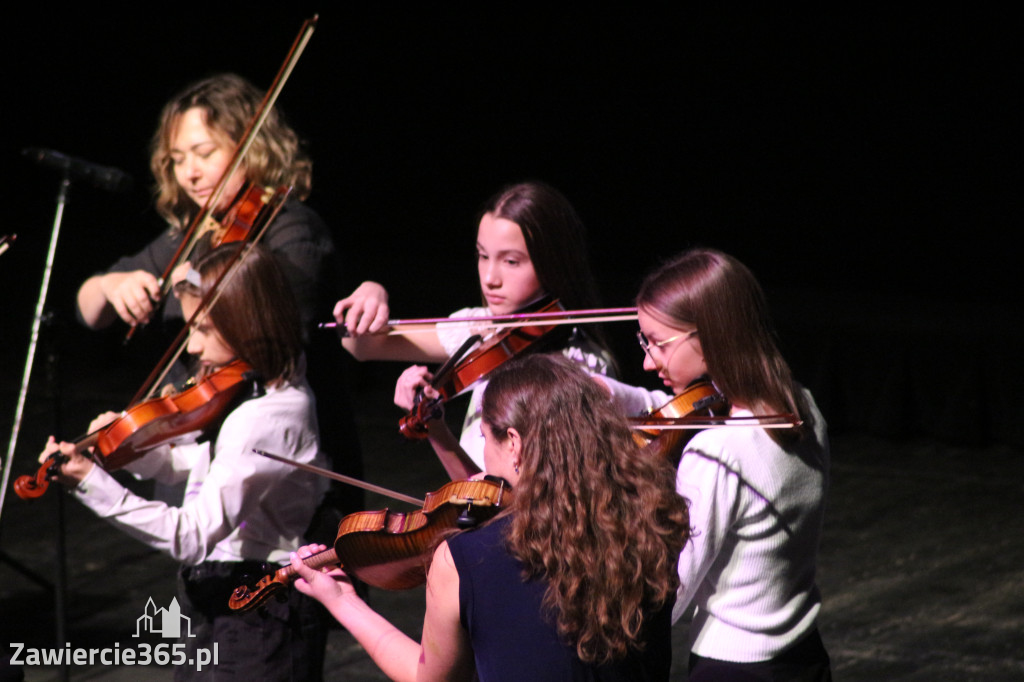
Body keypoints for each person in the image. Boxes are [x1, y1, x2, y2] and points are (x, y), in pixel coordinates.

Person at [73, 72, 362, 537]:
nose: (190, 172)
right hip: (198, 453)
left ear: (251, 146)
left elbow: (266, 330)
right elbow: (88, 308)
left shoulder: (293, 230)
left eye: (205, 153)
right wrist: (115, 284)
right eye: (178, 159)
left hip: (282, 473)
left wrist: (185, 285)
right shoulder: (196, 234)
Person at [290, 353, 689, 681]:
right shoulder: (654, 526)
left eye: (484, 438)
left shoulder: (466, 558)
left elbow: (428, 679)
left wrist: (343, 602)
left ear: (513, 443)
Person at [40, 244, 329, 680]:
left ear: (248, 323)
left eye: (206, 329)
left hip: (259, 612)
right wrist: (133, 452)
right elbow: (203, 462)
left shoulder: (266, 416)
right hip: (226, 601)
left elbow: (189, 535)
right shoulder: (261, 390)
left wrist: (90, 484)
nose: (192, 345)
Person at [602, 248, 833, 681]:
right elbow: (695, 408)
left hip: (732, 669)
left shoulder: (716, 453)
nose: (648, 361)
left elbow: (671, 592)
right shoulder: (803, 408)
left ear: (708, 337)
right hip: (803, 656)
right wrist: (615, 395)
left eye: (657, 343)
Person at [334, 181, 615, 479]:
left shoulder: (583, 365)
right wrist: (371, 292)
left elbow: (507, 500)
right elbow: (359, 346)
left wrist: (438, 433)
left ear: (554, 263)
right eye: (483, 256)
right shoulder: (479, 327)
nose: (490, 278)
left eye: (511, 261)